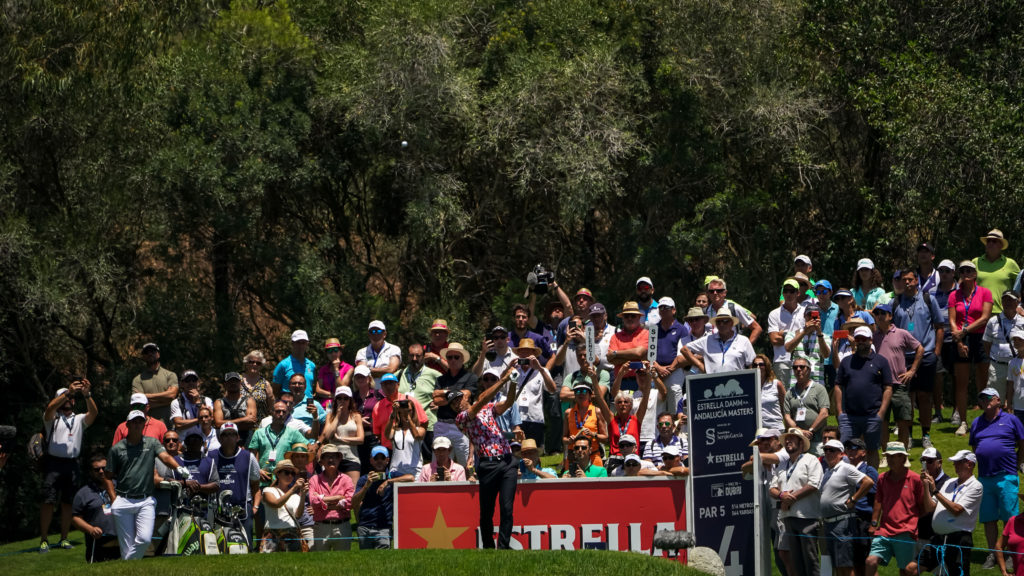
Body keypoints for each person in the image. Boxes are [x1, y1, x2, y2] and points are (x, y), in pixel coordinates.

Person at [104, 410, 191, 560]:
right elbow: (107, 476)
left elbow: (164, 456)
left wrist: (177, 467)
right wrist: (113, 499)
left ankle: (125, 564)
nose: (137, 424)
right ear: (128, 424)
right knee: (127, 546)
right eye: (134, 422)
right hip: (123, 500)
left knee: (144, 539)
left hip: (145, 500)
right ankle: (128, 568)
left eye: (140, 421)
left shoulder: (152, 443)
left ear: (144, 424)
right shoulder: (117, 449)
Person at [455, 364, 519, 549]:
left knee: (507, 508)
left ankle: (504, 548)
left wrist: (512, 382)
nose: (458, 403)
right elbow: (482, 400)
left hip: (507, 461)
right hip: (488, 465)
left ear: (467, 396)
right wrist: (504, 379)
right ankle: (489, 547)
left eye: (460, 398)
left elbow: (508, 403)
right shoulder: (461, 418)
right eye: (453, 403)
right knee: (487, 511)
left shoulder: (489, 408)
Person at [39, 377, 98, 553]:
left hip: (72, 464)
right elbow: (50, 408)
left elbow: (93, 414)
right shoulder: (52, 418)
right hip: (53, 464)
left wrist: (87, 395)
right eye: (65, 398)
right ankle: (44, 540)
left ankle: (64, 538)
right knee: (48, 501)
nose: (69, 401)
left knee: (68, 503)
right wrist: (68, 392)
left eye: (71, 398)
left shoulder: (78, 419)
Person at [971, 386, 1024, 570]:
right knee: (988, 518)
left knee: (1010, 518)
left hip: (1006, 476)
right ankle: (993, 553)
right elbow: (974, 447)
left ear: (998, 400)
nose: (984, 401)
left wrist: (1019, 462)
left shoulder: (1011, 420)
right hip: (985, 477)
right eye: (982, 399)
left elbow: (1022, 442)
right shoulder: (977, 423)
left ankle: (1011, 552)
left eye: (988, 398)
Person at [892, 268, 943, 448]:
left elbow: (939, 326)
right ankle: (910, 435)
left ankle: (926, 434)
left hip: (927, 354)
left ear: (916, 281)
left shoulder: (929, 299)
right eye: (903, 280)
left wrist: (936, 352)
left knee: (924, 396)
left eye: (910, 279)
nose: (906, 283)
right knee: (907, 398)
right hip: (904, 357)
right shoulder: (896, 303)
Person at [835, 326, 894, 469]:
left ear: (870, 340)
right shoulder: (846, 361)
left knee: (872, 449)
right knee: (847, 450)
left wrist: (881, 413)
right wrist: (839, 412)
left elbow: (888, 388)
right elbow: (838, 386)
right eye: (858, 339)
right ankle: (848, 481)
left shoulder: (881, 361)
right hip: (849, 416)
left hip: (872, 415)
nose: (861, 342)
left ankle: (872, 483)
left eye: (864, 339)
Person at [917, 450, 982, 576]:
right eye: (954, 463)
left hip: (959, 540)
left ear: (969, 464)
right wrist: (926, 486)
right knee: (912, 569)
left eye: (958, 462)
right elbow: (930, 508)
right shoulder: (949, 482)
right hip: (938, 538)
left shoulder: (976, 486)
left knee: (956, 573)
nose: (955, 465)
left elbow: (956, 510)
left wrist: (935, 490)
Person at [866, 442, 925, 576]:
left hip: (906, 531)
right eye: (889, 456)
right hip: (884, 530)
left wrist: (912, 524)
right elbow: (878, 501)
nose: (891, 460)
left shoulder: (915, 479)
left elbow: (922, 506)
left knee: (905, 570)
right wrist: (874, 522)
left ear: (903, 458)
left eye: (895, 456)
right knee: (870, 562)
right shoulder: (882, 478)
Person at [770, 428, 823, 576]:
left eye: (792, 438)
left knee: (810, 559)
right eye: (786, 439)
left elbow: (814, 484)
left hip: (807, 517)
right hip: (787, 518)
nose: (787, 441)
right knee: (795, 562)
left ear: (801, 443)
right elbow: (772, 488)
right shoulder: (782, 464)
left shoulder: (811, 459)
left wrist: (791, 499)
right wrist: (782, 496)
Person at [949, 260, 994, 436]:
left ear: (975, 274)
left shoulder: (985, 292)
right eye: (962, 271)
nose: (965, 273)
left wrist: (964, 331)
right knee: (961, 383)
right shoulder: (954, 294)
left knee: (982, 381)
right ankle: (963, 421)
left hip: (980, 336)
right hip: (960, 337)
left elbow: (985, 317)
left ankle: (986, 418)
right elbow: (952, 320)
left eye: (969, 270)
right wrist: (959, 340)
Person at [870, 303, 923, 450]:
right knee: (883, 421)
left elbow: (919, 348)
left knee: (903, 421)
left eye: (883, 313)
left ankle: (902, 453)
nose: (879, 316)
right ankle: (886, 454)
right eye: (877, 313)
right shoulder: (873, 337)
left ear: (890, 316)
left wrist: (912, 370)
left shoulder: (901, 333)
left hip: (899, 384)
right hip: (880, 385)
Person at [819, 438, 875, 576]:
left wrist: (854, 498)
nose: (827, 453)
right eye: (825, 450)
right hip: (829, 523)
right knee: (838, 566)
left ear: (841, 454)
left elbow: (868, 482)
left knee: (846, 566)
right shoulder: (828, 471)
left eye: (832, 450)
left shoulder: (845, 468)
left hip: (842, 522)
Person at [209, 422, 262, 546]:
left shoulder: (248, 457)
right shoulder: (211, 456)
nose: (229, 438)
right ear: (220, 438)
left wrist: (254, 507)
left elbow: (255, 484)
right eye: (225, 435)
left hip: (243, 508)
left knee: (245, 544)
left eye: (232, 434)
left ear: (237, 437)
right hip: (218, 509)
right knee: (218, 545)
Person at [249, 401, 311, 492]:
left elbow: (309, 446)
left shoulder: (292, 433)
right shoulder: (259, 432)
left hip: (284, 481)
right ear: (271, 412)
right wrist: (258, 470)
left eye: (284, 412)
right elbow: (252, 456)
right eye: (278, 411)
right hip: (263, 478)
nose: (281, 414)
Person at [434, 342, 478, 466]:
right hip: (442, 424)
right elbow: (436, 400)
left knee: (467, 464)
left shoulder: (471, 377)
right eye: (450, 357)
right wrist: (454, 396)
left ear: (462, 359)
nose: (453, 360)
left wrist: (444, 394)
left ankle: (470, 486)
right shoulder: (440, 379)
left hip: (462, 426)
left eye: (456, 357)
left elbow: (466, 395)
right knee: (439, 466)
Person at [509, 338, 557, 449]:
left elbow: (552, 389)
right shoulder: (513, 371)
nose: (525, 355)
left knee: (534, 451)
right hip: (516, 418)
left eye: (528, 352)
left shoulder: (542, 371)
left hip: (534, 418)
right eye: (522, 352)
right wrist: (509, 367)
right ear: (518, 354)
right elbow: (501, 387)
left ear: (534, 354)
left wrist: (539, 368)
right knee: (516, 450)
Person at [396, 343, 441, 460]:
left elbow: (450, 391)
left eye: (418, 355)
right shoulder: (400, 374)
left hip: (427, 425)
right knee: (408, 460)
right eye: (411, 356)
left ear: (424, 356)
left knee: (430, 460)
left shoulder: (433, 374)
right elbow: (385, 389)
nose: (414, 359)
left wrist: (440, 403)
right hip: (404, 426)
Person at [71, 454, 119, 563]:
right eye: (97, 469)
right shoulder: (83, 493)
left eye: (104, 468)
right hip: (97, 544)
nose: (101, 471)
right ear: (91, 472)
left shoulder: (121, 487)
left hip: (122, 541)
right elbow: (75, 518)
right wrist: (90, 529)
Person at [308, 444, 355, 551]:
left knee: (343, 562)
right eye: (327, 456)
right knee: (321, 564)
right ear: (322, 461)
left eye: (334, 456)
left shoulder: (346, 479)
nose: (331, 459)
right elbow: (313, 502)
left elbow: (350, 502)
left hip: (342, 525)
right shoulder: (314, 479)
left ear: (339, 459)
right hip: (321, 527)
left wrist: (322, 501)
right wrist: (338, 497)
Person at [682, 309, 756, 373]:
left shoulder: (743, 341)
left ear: (732, 323)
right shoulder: (707, 340)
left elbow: (752, 364)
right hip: (713, 384)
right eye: (718, 322)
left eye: (725, 321)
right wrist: (700, 365)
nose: (721, 324)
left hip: (736, 384)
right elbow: (685, 349)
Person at [844, 438, 878, 576]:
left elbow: (877, 498)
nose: (850, 451)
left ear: (863, 452)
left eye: (854, 448)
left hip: (863, 519)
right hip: (848, 519)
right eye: (848, 449)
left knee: (866, 562)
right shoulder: (844, 469)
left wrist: (874, 522)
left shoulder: (869, 471)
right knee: (855, 561)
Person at [783, 356, 830, 455]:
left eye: (801, 367)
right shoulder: (789, 393)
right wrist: (800, 431)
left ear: (808, 370)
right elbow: (787, 417)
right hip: (798, 441)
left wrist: (810, 430)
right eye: (795, 367)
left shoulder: (819, 389)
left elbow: (824, 413)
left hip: (817, 440)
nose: (798, 369)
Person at [352, 446, 395, 549]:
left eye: (382, 458)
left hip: (384, 527)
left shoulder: (392, 476)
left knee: (383, 561)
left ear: (387, 460)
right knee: (366, 562)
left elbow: (410, 478)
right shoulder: (364, 479)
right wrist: (367, 485)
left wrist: (388, 482)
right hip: (365, 527)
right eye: (376, 458)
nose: (379, 461)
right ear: (371, 461)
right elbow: (354, 502)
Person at [319, 386, 364, 484]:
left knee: (352, 491)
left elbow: (361, 439)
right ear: (335, 400)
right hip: (333, 458)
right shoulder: (330, 416)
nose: (342, 401)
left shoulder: (356, 416)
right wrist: (338, 415)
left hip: (351, 457)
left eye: (345, 398)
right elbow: (328, 436)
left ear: (350, 400)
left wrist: (340, 439)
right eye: (339, 398)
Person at [985, 291, 1024, 401]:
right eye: (1005, 299)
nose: (1007, 302)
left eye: (1011, 300)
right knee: (995, 398)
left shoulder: (1022, 321)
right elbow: (986, 343)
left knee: (1017, 398)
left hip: (1017, 365)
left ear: (1017, 302)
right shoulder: (993, 321)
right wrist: (995, 357)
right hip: (997, 366)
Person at [770, 278, 809, 385]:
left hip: (802, 359)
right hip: (781, 360)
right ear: (782, 293)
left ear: (798, 293)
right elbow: (774, 339)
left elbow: (808, 335)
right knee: (784, 397)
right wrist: (799, 334)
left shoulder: (805, 311)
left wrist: (785, 334)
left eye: (792, 291)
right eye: (785, 291)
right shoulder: (774, 314)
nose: (788, 294)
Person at [261, 459, 306, 552]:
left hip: (291, 533)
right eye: (286, 472)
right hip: (272, 533)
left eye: (292, 474)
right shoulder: (268, 490)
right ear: (278, 474)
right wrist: (294, 488)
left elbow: (298, 515)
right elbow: (276, 504)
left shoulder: (295, 496)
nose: (290, 476)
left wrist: (303, 495)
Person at [653, 297, 689, 414]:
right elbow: (650, 352)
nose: (663, 310)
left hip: (676, 369)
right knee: (657, 398)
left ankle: (677, 428)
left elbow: (684, 354)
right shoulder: (654, 329)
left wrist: (669, 369)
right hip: (656, 368)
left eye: (666, 308)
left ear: (673, 310)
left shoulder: (682, 329)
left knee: (675, 391)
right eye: (661, 308)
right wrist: (658, 367)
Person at [383, 384, 427, 481]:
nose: (405, 412)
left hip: (415, 470)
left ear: (413, 412)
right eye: (402, 411)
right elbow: (387, 435)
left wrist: (408, 417)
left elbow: (417, 436)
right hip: (396, 470)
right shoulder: (395, 429)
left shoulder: (420, 428)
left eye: (409, 410)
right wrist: (392, 415)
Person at [606, 302, 650, 391]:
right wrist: (636, 358)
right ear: (623, 318)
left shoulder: (646, 334)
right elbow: (612, 360)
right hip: (620, 382)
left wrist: (616, 353)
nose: (629, 318)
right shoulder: (615, 337)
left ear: (639, 317)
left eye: (633, 316)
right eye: (626, 316)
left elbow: (638, 353)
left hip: (642, 381)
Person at [562, 381, 608, 467]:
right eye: (577, 391)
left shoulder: (596, 411)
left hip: (593, 455)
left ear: (590, 395)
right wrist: (569, 440)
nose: (580, 394)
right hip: (574, 455)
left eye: (584, 391)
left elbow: (605, 438)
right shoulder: (568, 413)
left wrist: (593, 434)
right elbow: (564, 438)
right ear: (574, 395)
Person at [976, 229, 1021, 315]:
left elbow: (1021, 285)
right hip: (978, 312)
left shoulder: (1010, 263)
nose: (990, 243)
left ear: (1001, 245)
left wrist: (1019, 305)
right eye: (988, 241)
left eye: (994, 241)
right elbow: (963, 283)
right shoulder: (976, 262)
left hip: (1003, 313)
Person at [132, 342, 179, 425]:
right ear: (143, 356)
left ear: (158, 354)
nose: (150, 354)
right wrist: (166, 401)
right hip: (148, 425)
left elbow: (172, 395)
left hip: (169, 424)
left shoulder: (170, 375)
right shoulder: (138, 380)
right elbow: (138, 403)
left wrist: (147, 397)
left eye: (153, 351)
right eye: (146, 352)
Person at [704, 277, 763, 343]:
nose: (715, 293)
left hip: (731, 349)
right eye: (711, 291)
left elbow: (757, 328)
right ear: (708, 293)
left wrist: (746, 347)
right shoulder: (705, 311)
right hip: (711, 350)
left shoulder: (734, 308)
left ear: (725, 293)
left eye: (719, 291)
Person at [785, 305, 831, 388]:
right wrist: (804, 332)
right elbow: (788, 348)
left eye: (815, 316)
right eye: (809, 315)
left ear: (819, 317)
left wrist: (819, 333)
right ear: (804, 316)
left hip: (817, 382)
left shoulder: (824, 337)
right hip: (796, 383)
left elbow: (826, 355)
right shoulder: (793, 334)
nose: (812, 318)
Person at [214, 371, 259, 444]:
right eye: (230, 381)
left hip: (246, 438)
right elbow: (218, 424)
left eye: (236, 381)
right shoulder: (219, 402)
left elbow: (251, 423)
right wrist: (244, 419)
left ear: (240, 384)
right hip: (226, 439)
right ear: (225, 384)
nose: (233, 383)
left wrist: (226, 424)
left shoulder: (249, 400)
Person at [273, 330, 316, 400]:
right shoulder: (283, 365)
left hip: (308, 406)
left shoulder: (311, 365)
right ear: (292, 343)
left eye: (303, 343)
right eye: (298, 342)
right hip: (289, 406)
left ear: (307, 344)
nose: (301, 345)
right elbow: (275, 390)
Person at [356, 320, 402, 386]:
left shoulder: (394, 349)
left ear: (384, 334)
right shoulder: (362, 352)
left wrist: (369, 370)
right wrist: (384, 370)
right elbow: (362, 373)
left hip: (388, 390)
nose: (375, 334)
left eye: (379, 331)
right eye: (372, 331)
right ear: (368, 335)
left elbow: (391, 369)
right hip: (369, 392)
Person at [314, 338, 352, 407]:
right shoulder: (323, 369)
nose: (333, 353)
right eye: (330, 351)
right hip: (324, 407)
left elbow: (341, 389)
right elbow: (318, 390)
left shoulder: (349, 368)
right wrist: (334, 395)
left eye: (336, 350)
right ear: (327, 354)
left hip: (341, 406)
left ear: (340, 352)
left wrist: (336, 369)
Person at [242, 350, 276, 423]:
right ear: (246, 363)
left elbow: (271, 407)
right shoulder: (238, 381)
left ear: (261, 366)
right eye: (251, 362)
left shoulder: (265, 384)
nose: (254, 364)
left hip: (260, 425)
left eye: (258, 363)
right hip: (240, 425)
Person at [754, 354, 786, 431]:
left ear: (766, 367)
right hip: (758, 430)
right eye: (755, 365)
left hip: (775, 428)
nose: (758, 367)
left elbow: (785, 409)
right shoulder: (750, 386)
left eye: (761, 364)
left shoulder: (776, 384)